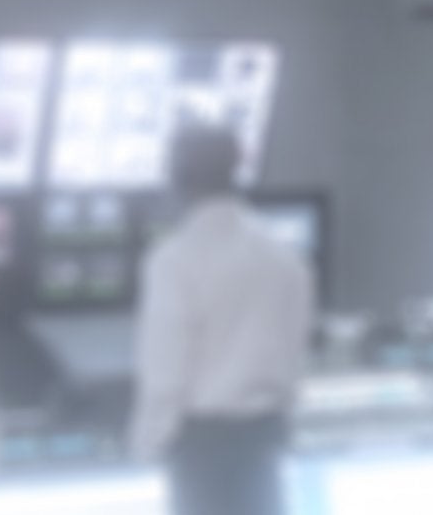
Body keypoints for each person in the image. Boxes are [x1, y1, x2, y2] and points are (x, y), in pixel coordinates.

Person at [129, 123, 314, 515]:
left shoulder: (174, 261)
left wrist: (145, 447)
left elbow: (166, 377)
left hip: (203, 450)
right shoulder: (284, 257)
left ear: (176, 178)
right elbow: (296, 351)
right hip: (265, 439)